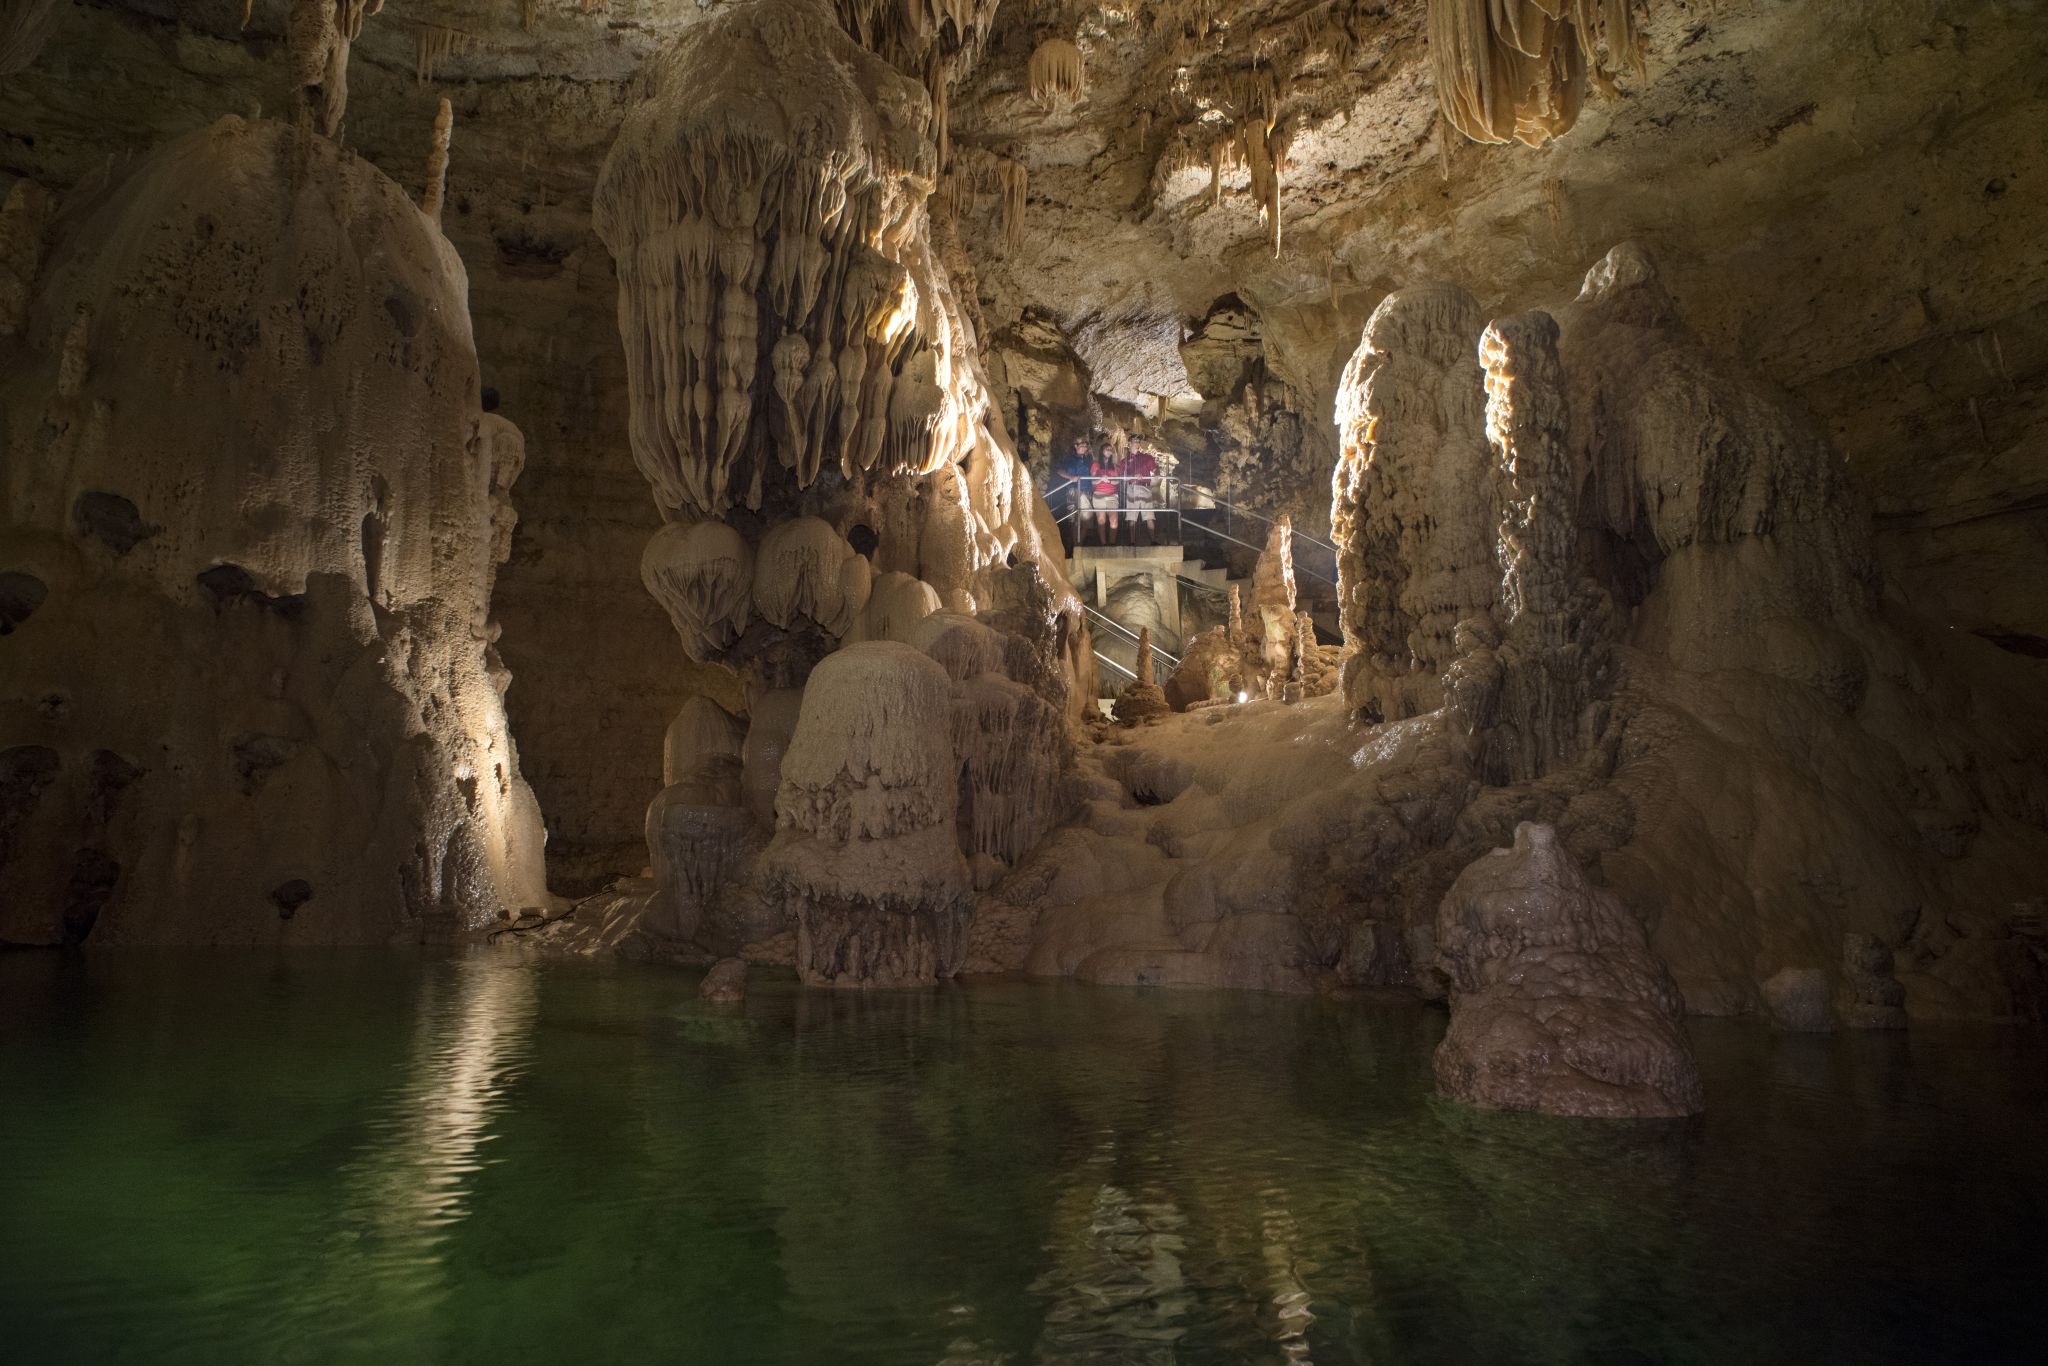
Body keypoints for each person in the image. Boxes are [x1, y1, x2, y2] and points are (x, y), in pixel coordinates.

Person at [1124, 439, 1161, 546]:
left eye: (1138, 441)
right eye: (1135, 441)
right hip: (1132, 487)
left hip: (1145, 488)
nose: (1138, 443)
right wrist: (1133, 477)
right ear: (1129, 443)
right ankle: (1132, 541)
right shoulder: (1125, 460)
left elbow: (1155, 468)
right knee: (1132, 517)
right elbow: (1123, 476)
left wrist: (1157, 473)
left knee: (1149, 516)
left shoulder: (1147, 457)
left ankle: (1153, 540)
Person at [1058, 438, 1092, 551]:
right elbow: (1060, 471)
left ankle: (1078, 545)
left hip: (1086, 490)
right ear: (1076, 446)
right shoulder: (1069, 459)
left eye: (1086, 446)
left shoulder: (1088, 459)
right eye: (1082, 445)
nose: (1084, 448)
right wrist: (1070, 477)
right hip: (1073, 490)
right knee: (1073, 519)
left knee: (1086, 519)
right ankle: (1076, 545)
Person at [1088, 443, 1121, 546]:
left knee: (1114, 519)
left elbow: (1118, 481)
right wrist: (1101, 479)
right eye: (1107, 449)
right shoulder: (1095, 465)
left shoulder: (1114, 466)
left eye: (1111, 450)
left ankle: (1112, 543)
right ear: (1102, 451)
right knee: (1101, 520)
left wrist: (1110, 481)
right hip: (1099, 494)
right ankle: (1103, 543)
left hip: (1112, 494)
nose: (1109, 451)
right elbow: (1092, 481)